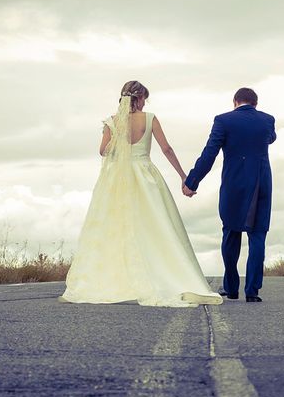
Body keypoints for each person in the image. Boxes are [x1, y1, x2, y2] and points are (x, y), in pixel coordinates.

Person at [59, 80, 222, 307]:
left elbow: (103, 151)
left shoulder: (111, 122)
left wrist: (120, 138)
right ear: (139, 98)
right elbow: (166, 149)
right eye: (145, 98)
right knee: (154, 225)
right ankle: (162, 273)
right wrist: (184, 176)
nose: (146, 102)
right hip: (145, 175)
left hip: (118, 179)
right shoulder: (149, 118)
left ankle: (120, 278)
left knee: (117, 226)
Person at [183, 88, 276, 302]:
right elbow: (271, 138)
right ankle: (252, 291)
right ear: (255, 103)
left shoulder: (223, 121)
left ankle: (231, 288)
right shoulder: (267, 120)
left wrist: (192, 181)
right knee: (258, 235)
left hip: (234, 183)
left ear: (235, 102)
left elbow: (210, 152)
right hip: (261, 184)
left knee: (231, 233)